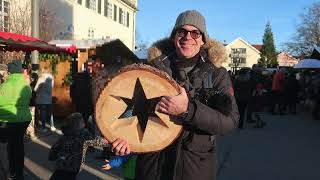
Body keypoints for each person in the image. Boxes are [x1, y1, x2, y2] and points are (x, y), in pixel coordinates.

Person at [109, 10, 239, 180]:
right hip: (152, 165)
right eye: (182, 31)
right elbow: (127, 109)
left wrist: (188, 110)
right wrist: (126, 139)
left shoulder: (216, 74)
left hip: (194, 168)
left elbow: (230, 121)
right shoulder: (151, 68)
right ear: (174, 36)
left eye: (195, 33)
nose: (187, 37)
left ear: (203, 40)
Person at [48, 113, 108, 180]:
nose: (84, 123)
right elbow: (96, 142)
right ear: (77, 125)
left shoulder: (65, 136)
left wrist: (52, 156)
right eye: (82, 122)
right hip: (74, 166)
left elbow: (55, 147)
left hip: (60, 165)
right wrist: (106, 140)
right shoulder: (84, 134)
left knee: (57, 176)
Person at [0, 59, 32, 180]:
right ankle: (18, 173)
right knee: (17, 144)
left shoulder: (6, 85)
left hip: (8, 121)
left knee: (9, 145)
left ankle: (11, 171)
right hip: (23, 119)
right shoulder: (25, 85)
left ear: (10, 72)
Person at [34, 67, 55, 132]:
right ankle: (52, 126)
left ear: (43, 71)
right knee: (50, 112)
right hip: (49, 98)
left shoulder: (41, 78)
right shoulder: (51, 78)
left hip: (41, 98)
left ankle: (43, 127)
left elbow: (35, 89)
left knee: (43, 112)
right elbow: (52, 87)